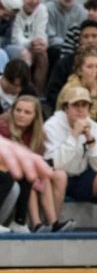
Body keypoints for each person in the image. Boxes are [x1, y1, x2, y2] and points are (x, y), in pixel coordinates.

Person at [43, 85, 97, 231]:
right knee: (59, 175)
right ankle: (54, 227)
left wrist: (91, 141)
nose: (80, 109)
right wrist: (73, 136)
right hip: (56, 179)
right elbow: (53, 164)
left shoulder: (94, 127)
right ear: (66, 108)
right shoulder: (51, 126)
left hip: (81, 176)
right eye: (75, 105)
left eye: (84, 105)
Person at [0, 95, 73, 232]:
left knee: (42, 175)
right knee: (30, 173)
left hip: (19, 174)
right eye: (18, 110)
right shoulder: (3, 129)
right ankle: (31, 223)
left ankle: (52, 223)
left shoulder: (36, 135)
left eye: (27, 112)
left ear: (35, 116)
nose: (21, 115)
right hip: (4, 172)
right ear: (12, 111)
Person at [10, 0, 49, 93]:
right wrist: (30, 44)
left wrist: (41, 43)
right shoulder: (16, 9)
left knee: (42, 54)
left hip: (32, 45)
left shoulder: (42, 10)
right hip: (14, 46)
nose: (35, 1)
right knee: (25, 54)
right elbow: (15, 37)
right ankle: (23, 90)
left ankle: (37, 93)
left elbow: (41, 32)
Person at [58, 50, 97, 124]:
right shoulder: (72, 89)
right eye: (90, 67)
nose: (95, 71)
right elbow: (86, 122)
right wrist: (93, 96)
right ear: (79, 71)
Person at [46, 0, 86, 68]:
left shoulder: (82, 11)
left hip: (76, 48)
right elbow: (50, 38)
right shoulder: (48, 9)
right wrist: (69, 44)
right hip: (55, 49)